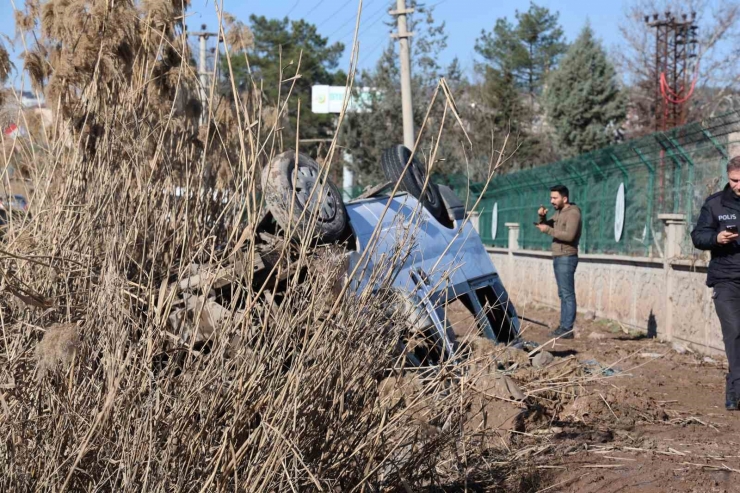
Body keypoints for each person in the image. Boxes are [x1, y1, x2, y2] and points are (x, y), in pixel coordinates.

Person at [691, 156, 740, 410]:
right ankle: (737, 392)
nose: (738, 185)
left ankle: (735, 391)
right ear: (728, 177)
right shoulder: (715, 204)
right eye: (734, 180)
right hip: (726, 279)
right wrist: (717, 237)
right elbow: (698, 235)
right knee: (735, 333)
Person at [536, 185, 582, 339]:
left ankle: (567, 329)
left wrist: (547, 230)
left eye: (555, 198)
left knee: (567, 294)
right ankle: (563, 326)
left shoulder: (573, 213)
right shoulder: (559, 212)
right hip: (558, 256)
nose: (552, 201)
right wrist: (542, 218)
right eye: (551, 198)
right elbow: (548, 225)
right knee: (562, 293)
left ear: (565, 198)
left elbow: (569, 236)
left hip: (566, 257)